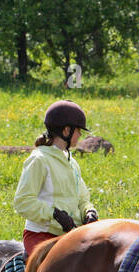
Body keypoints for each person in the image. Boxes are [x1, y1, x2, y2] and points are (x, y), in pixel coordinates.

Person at [14, 100, 99, 259]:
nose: (80, 135)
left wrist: (88, 211)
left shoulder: (71, 162)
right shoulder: (39, 160)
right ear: (67, 130)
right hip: (41, 236)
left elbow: (82, 199)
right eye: (78, 131)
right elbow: (22, 202)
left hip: (68, 235)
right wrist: (54, 214)